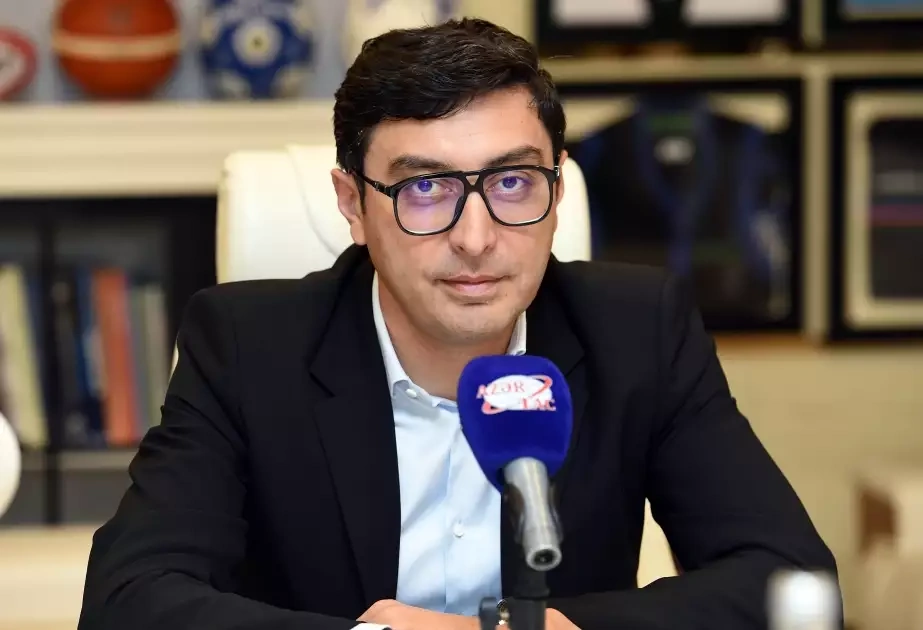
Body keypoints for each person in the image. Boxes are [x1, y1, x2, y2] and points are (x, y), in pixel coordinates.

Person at [77, 17, 839, 630]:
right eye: (426, 189)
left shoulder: (638, 333)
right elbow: (129, 600)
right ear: (352, 204)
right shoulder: (246, 346)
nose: (475, 238)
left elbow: (789, 582)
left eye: (512, 182)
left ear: (557, 188)